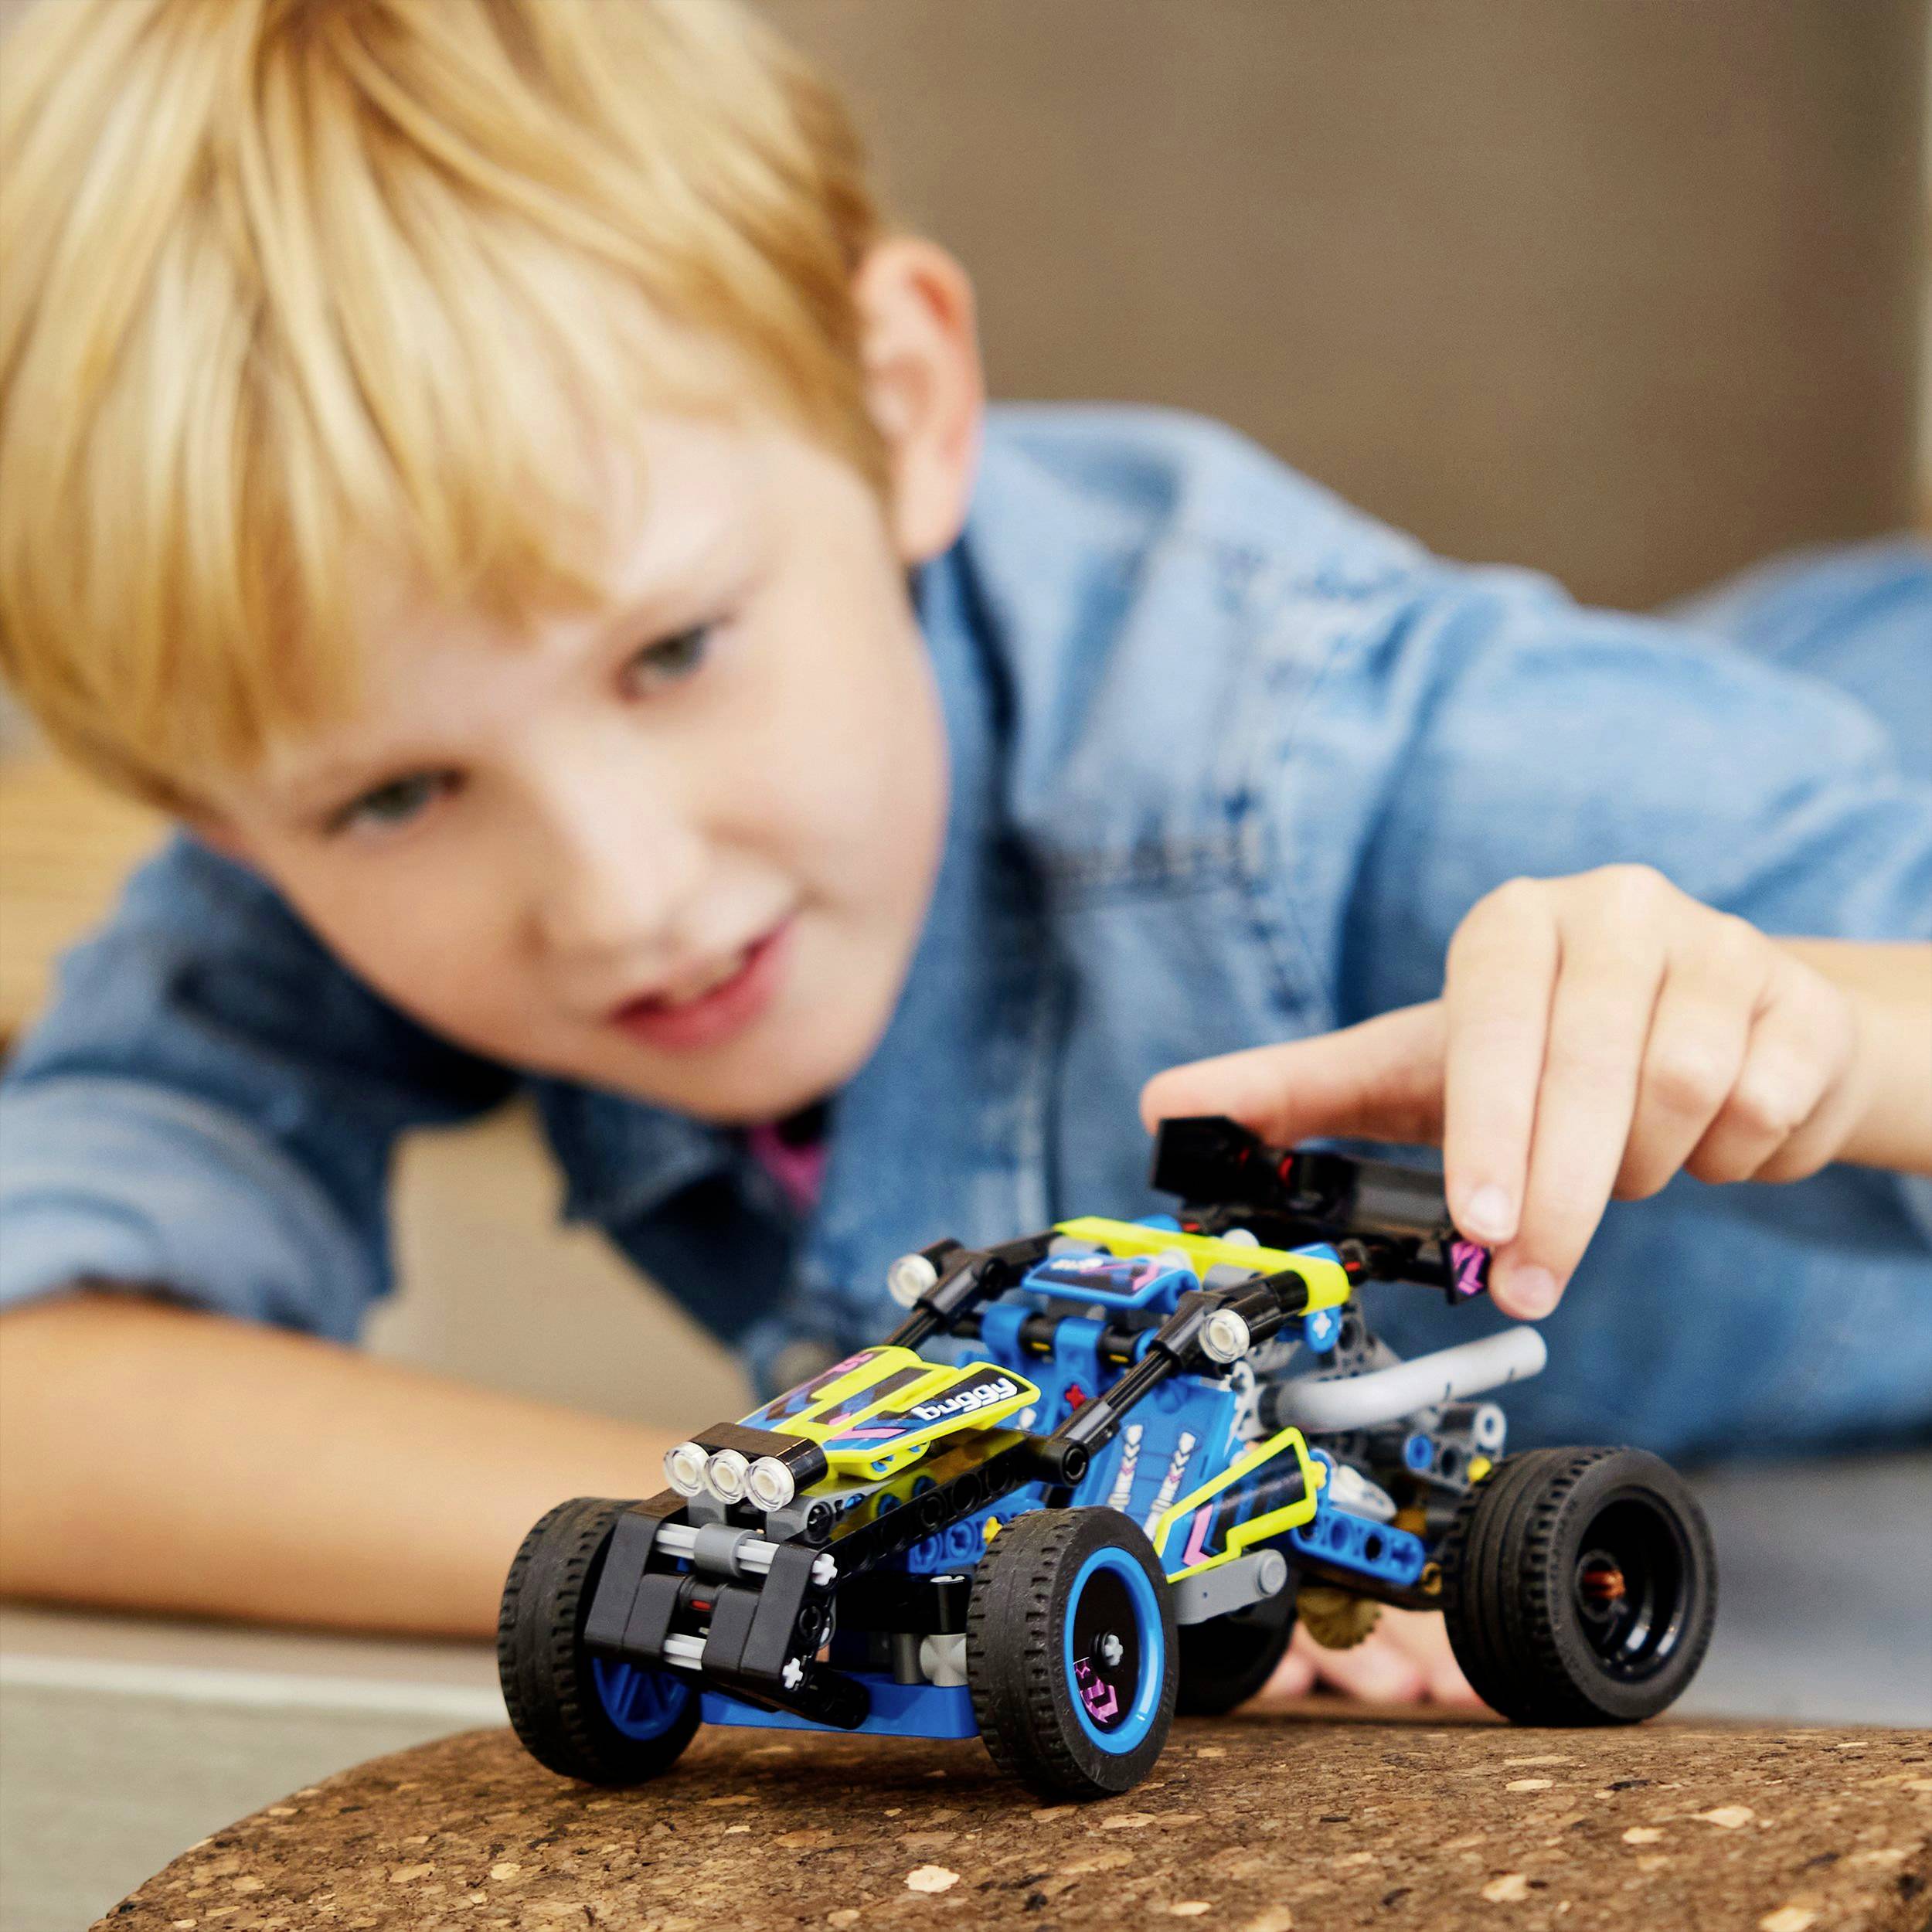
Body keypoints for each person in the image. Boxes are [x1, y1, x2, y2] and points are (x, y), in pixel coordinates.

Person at [0, 0, 1927, 1711]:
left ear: (899, 407)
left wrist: (1830, 1035)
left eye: (670, 652)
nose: (621, 892)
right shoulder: (302, 751)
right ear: (214, 811)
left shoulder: (1427, 764)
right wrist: (704, 1527)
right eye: (395, 799)